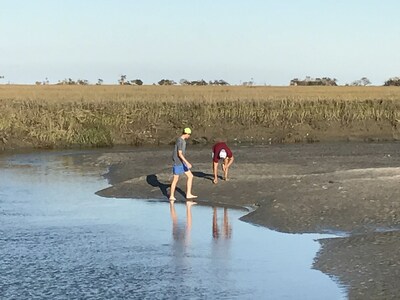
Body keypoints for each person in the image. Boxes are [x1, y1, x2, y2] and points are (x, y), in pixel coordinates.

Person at [169, 127, 198, 201]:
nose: (189, 136)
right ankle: (171, 196)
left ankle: (188, 194)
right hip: (178, 162)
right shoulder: (180, 141)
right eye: (189, 134)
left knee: (190, 176)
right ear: (187, 134)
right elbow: (180, 154)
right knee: (175, 179)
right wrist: (187, 162)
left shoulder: (183, 141)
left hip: (182, 162)